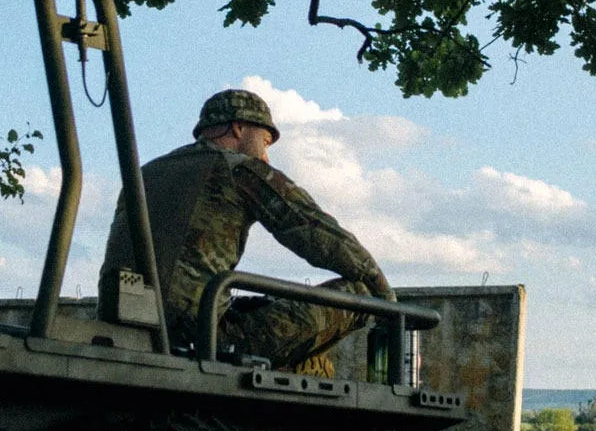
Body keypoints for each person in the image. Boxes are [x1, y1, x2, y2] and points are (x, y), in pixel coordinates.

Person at [98, 88, 391, 378]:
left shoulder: (144, 174)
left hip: (127, 326)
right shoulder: (239, 168)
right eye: (264, 142)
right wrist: (386, 297)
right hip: (199, 337)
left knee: (264, 305)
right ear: (238, 128)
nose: (265, 157)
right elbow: (317, 233)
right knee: (359, 294)